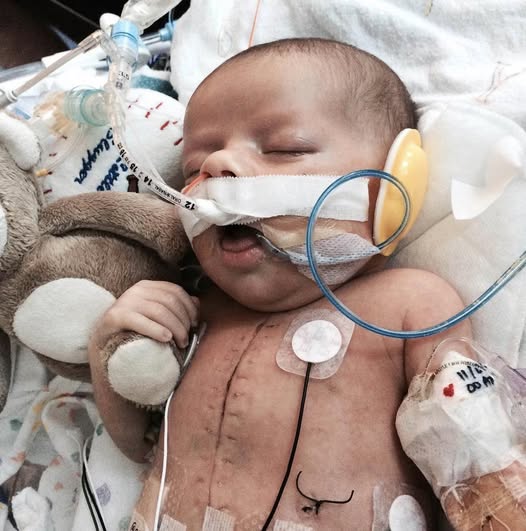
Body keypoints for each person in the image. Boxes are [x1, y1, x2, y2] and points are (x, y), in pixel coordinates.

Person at [88, 38, 471, 530]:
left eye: (284, 149)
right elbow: (139, 447)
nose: (217, 169)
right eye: (193, 170)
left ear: (395, 184)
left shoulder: (409, 305)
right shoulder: (196, 313)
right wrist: (109, 351)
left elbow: (477, 458)